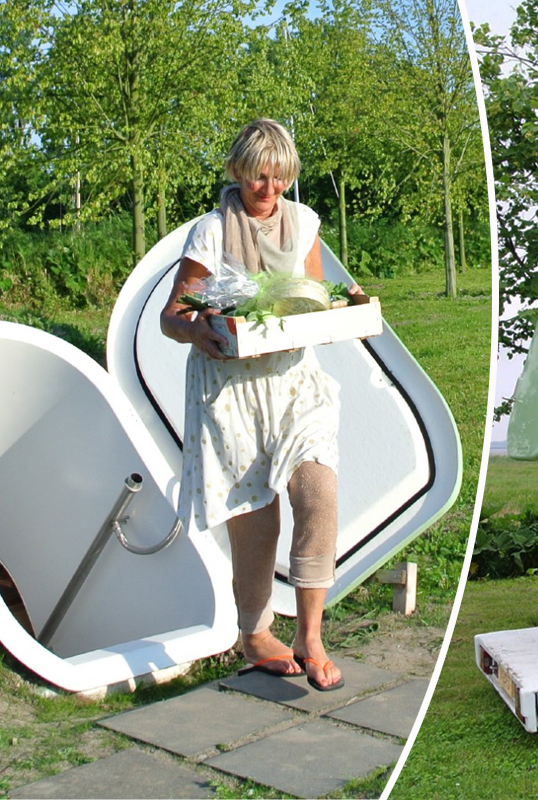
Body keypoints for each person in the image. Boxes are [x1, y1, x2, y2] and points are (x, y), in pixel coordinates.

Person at [160, 119, 358, 691]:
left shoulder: (304, 226)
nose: (268, 191)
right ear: (237, 174)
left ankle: (311, 636)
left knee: (317, 491)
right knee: (256, 517)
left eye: (278, 178)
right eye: (256, 179)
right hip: (232, 389)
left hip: (294, 380)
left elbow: (316, 302)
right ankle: (254, 632)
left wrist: (345, 310)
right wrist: (202, 331)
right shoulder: (212, 232)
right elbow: (175, 314)